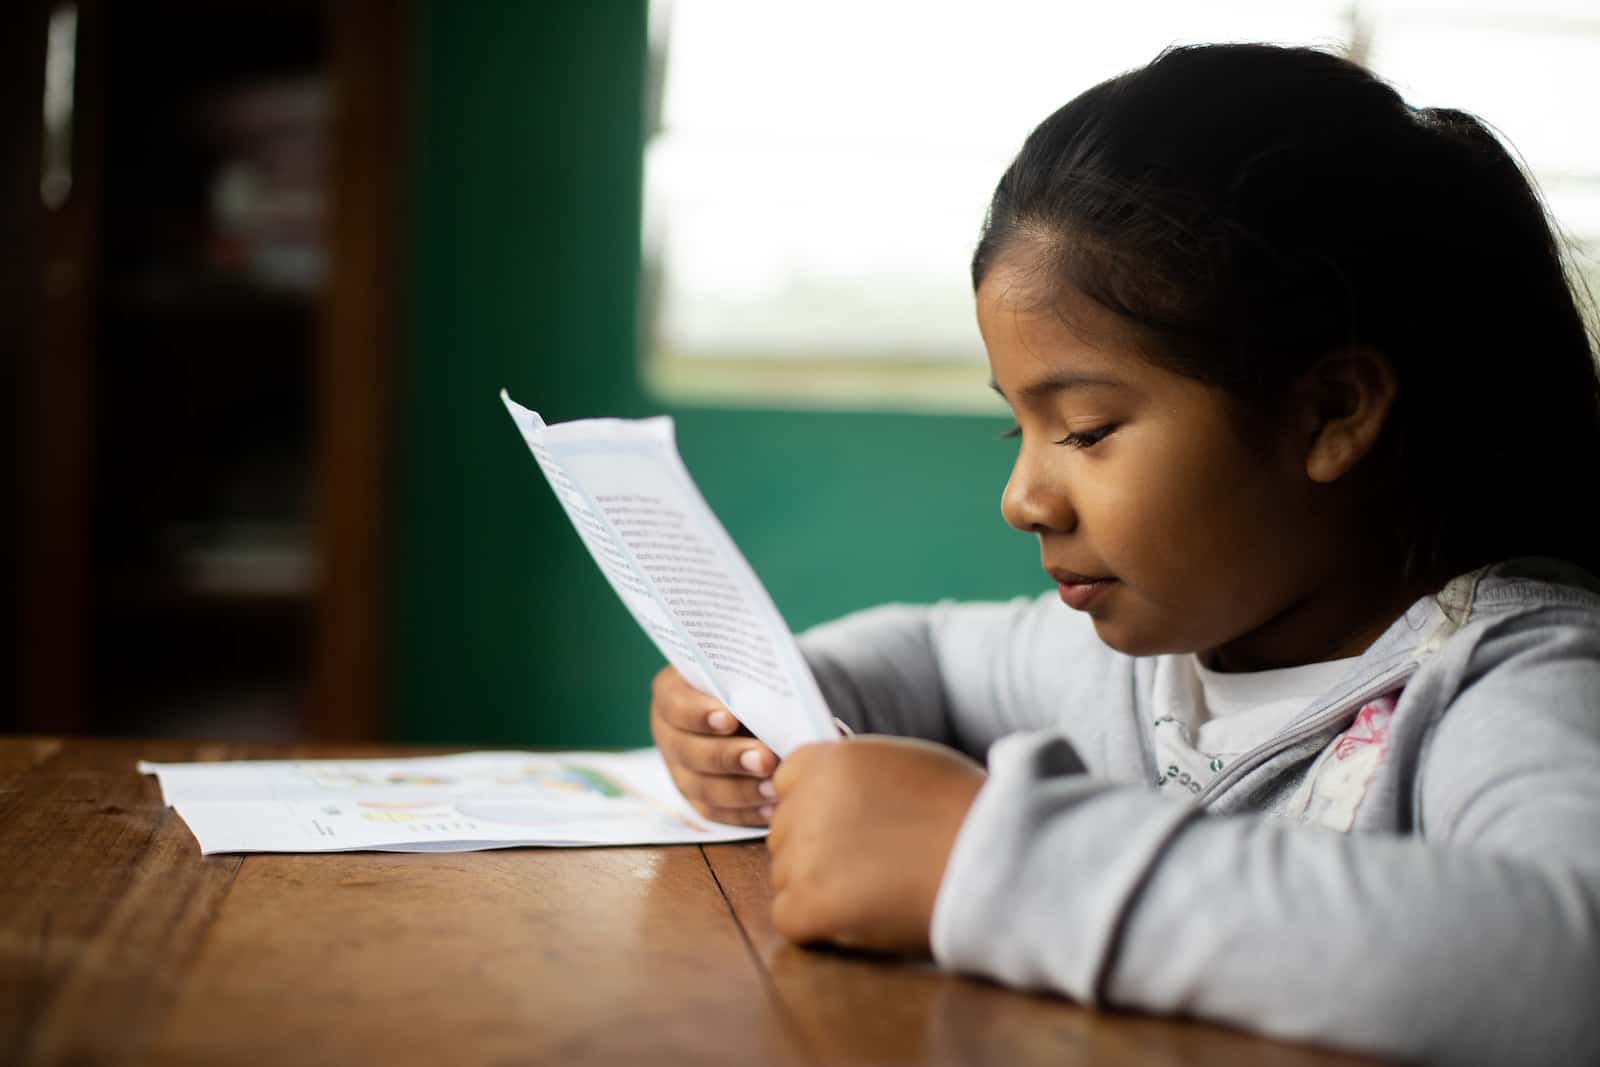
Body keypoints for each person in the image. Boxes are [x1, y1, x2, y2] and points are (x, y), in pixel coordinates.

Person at [649, 43, 1600, 1065]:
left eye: (1088, 428)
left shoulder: (1505, 678)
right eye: (1017, 429)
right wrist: (769, 697)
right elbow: (923, 654)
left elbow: (1568, 962)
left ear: (1328, 411)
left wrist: (991, 863)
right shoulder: (1131, 662)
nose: (1021, 499)